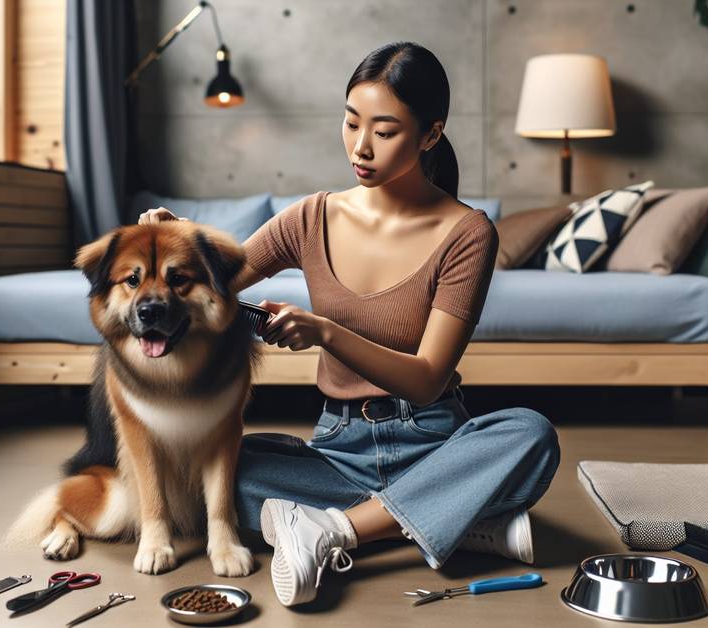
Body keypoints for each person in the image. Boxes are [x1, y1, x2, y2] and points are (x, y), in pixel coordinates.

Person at [139, 41, 560, 607]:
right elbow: (222, 278)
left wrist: (325, 333)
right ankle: (462, 520)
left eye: (384, 132)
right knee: (214, 472)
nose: (361, 147)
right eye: (351, 122)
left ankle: (335, 531)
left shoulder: (468, 233)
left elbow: (428, 378)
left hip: (433, 439)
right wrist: (177, 239)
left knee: (529, 434)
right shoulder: (313, 216)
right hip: (339, 451)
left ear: (431, 134)